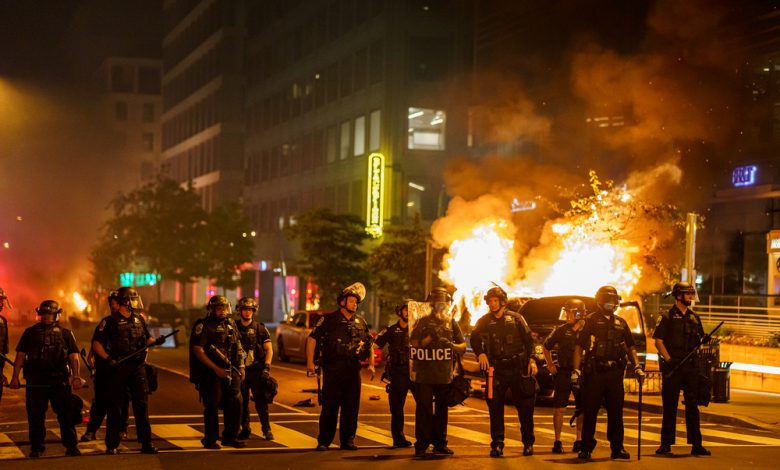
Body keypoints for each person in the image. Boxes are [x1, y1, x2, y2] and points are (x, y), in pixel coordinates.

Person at [571, 286, 644, 460]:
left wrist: (637, 366)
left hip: (614, 374)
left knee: (616, 412)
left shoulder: (621, 323)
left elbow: (631, 347)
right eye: (607, 300)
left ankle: (617, 447)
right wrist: (576, 370)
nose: (611, 304)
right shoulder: (590, 321)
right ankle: (586, 447)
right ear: (600, 301)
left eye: (613, 301)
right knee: (590, 411)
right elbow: (579, 347)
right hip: (595, 373)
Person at [9, 300, 83, 458]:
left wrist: (76, 376)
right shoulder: (30, 332)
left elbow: (73, 356)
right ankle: (36, 447)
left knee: (66, 416)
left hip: (59, 382)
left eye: (49, 314)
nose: (46, 317)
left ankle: (71, 446)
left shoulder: (65, 333)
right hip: (36, 382)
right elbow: (21, 355)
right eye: (44, 314)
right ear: (39, 314)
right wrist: (15, 377)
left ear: (56, 314)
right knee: (35, 417)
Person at [92, 286, 162, 454]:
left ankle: (146, 443)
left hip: (137, 368)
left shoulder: (139, 319)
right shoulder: (109, 322)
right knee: (115, 407)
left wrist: (154, 341)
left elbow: (147, 338)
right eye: (133, 299)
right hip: (118, 368)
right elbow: (96, 344)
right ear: (125, 301)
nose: (136, 302)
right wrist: (108, 359)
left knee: (141, 406)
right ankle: (112, 444)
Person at [306, 282, 375, 451]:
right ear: (342, 302)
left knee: (351, 407)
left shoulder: (361, 321)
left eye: (356, 302)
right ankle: (324, 441)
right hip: (333, 368)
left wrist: (372, 364)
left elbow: (369, 342)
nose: (355, 304)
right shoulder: (329, 320)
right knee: (330, 406)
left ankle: (348, 440)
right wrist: (309, 363)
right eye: (351, 301)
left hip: (353, 369)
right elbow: (312, 338)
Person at [471, 286, 538, 457]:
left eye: (495, 301)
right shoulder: (485, 320)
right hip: (496, 370)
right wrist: (481, 354)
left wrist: (532, 359)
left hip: (518, 368)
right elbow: (475, 337)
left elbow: (529, 340)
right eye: (490, 301)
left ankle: (528, 443)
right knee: (495, 408)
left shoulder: (516, 319)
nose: (493, 304)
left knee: (525, 408)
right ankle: (497, 444)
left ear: (502, 302)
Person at [653, 281, 710, 456]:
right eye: (688, 294)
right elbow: (658, 341)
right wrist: (668, 360)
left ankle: (696, 444)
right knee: (669, 406)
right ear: (678, 296)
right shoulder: (667, 316)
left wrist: (704, 340)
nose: (691, 297)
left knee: (693, 407)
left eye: (692, 294)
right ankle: (666, 444)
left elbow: (700, 340)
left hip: (690, 368)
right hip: (674, 367)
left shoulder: (694, 317)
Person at [409, 287, 466, 458]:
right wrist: (429, 339)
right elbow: (414, 344)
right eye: (438, 303)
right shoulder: (422, 321)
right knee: (424, 409)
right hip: (424, 373)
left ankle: (440, 443)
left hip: (444, 373)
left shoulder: (451, 323)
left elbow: (462, 346)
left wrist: (450, 345)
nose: (441, 306)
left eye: (444, 303)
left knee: (442, 409)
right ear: (432, 304)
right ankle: (422, 445)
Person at [190, 295, 247, 449]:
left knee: (236, 402)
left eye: (225, 307)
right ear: (212, 309)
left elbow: (238, 346)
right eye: (219, 308)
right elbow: (198, 350)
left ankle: (230, 437)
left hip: (231, 370)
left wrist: (241, 366)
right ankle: (210, 439)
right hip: (210, 372)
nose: (223, 311)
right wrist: (216, 369)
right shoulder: (204, 325)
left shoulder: (231, 324)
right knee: (212, 405)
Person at [81, 291, 130, 442]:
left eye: (116, 303)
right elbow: (97, 343)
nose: (113, 306)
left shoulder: (133, 321)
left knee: (123, 401)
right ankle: (91, 430)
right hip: (106, 368)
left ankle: (121, 429)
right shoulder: (107, 322)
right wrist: (93, 361)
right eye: (112, 304)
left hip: (123, 368)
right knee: (100, 401)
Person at [542, 298, 586, 454]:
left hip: (581, 374)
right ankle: (557, 440)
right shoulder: (561, 330)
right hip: (564, 373)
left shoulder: (587, 330)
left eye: (570, 312)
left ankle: (579, 440)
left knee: (582, 408)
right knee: (559, 408)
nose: (567, 315)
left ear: (579, 314)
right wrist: (550, 364)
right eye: (566, 312)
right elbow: (546, 346)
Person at [373, 299, 413, 448]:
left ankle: (425, 439)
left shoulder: (419, 330)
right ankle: (398, 438)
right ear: (400, 311)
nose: (408, 312)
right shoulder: (390, 330)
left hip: (416, 373)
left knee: (424, 406)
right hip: (398, 373)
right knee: (397, 408)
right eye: (405, 309)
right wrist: (371, 363)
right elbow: (374, 346)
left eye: (410, 309)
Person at [235, 297, 274, 441]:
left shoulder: (260, 328)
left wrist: (267, 368)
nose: (247, 312)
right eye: (245, 309)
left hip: (257, 370)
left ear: (254, 311)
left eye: (250, 310)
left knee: (261, 402)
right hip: (240, 371)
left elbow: (269, 349)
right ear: (240, 311)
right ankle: (245, 429)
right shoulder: (233, 327)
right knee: (241, 403)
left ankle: (267, 429)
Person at [0, 288, 10, 402]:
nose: (1, 304)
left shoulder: (3, 321)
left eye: (2, 301)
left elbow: (3, 352)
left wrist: (1, 374)